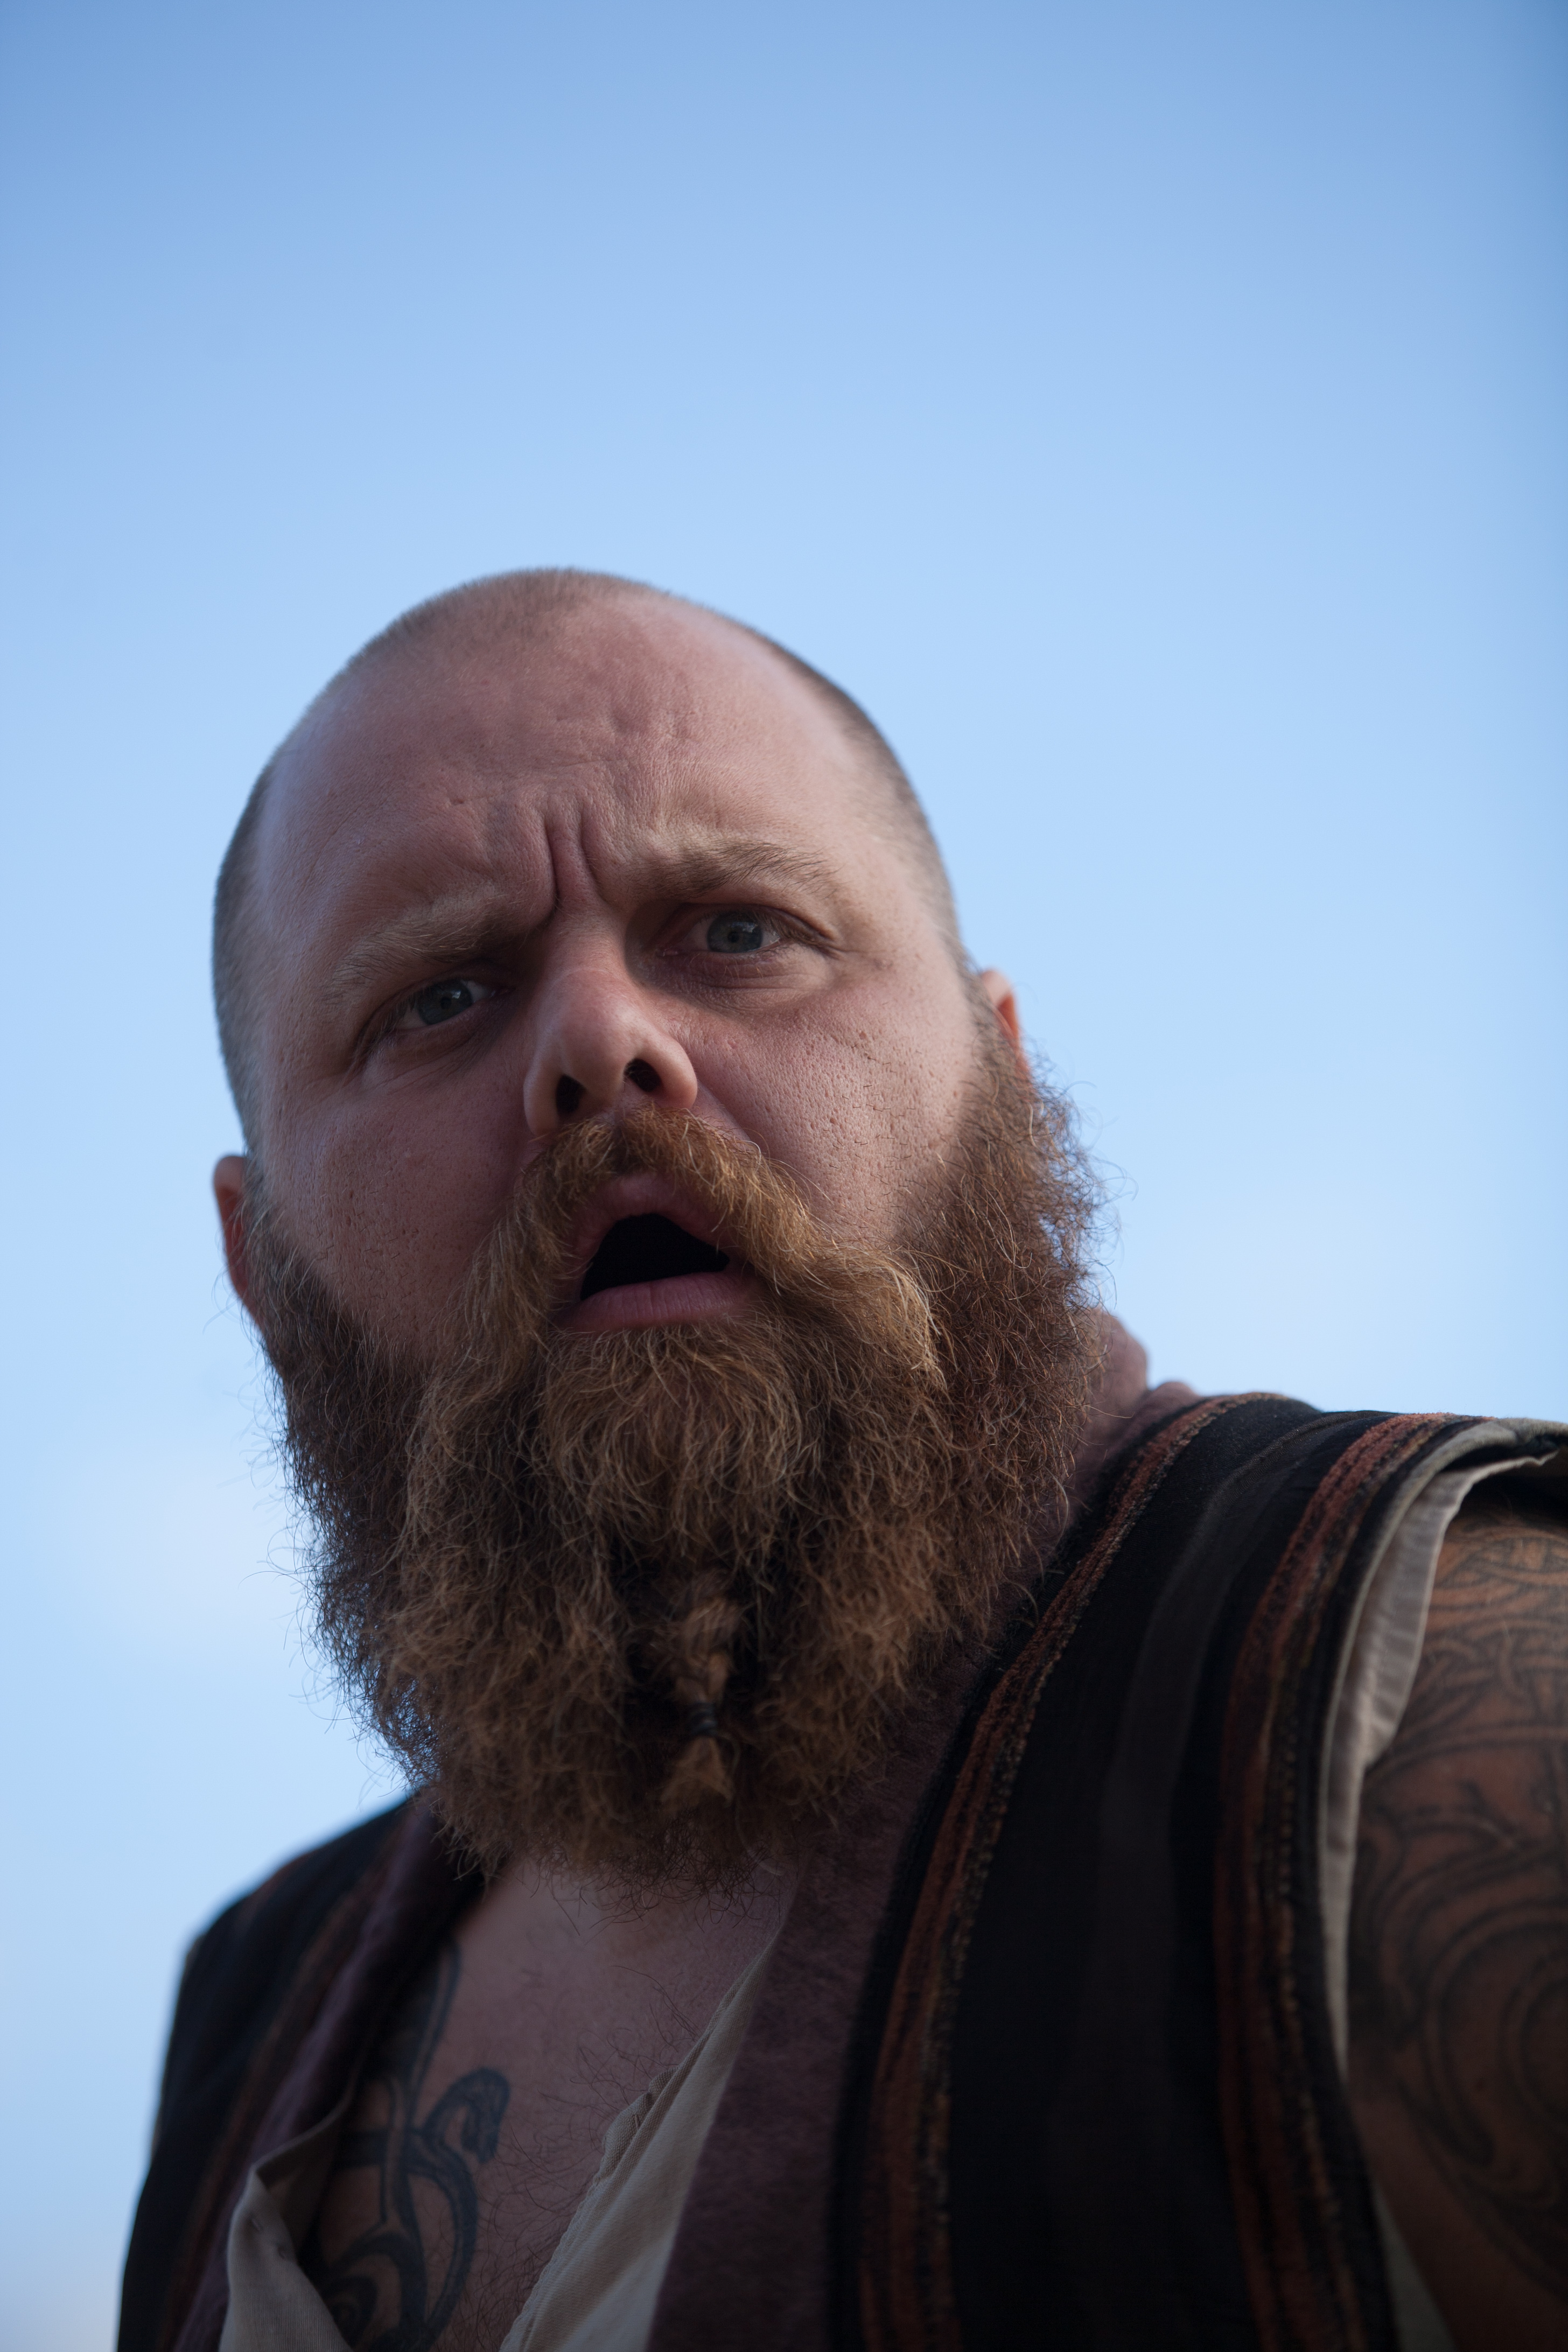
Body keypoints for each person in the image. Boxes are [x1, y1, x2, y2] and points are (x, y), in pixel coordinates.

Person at [120, 571, 1567, 2352]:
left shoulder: (1421, 1709)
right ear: (262, 1268)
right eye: (437, 997)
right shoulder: (246, 2012)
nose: (600, 1043)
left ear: (1003, 1076)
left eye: (740, 930)